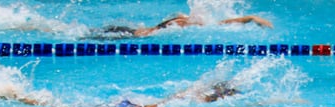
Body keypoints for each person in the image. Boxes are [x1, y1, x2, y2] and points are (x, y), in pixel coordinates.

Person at [0, 79, 240, 107]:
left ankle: (17, 96)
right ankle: (16, 97)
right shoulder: (195, 101)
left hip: (130, 106)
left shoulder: (190, 94)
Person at [86, 13, 273, 39]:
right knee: (85, 36)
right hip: (126, 35)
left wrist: (249, 18)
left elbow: (219, 23)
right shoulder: (181, 23)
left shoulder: (186, 21)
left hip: (128, 31)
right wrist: (249, 18)